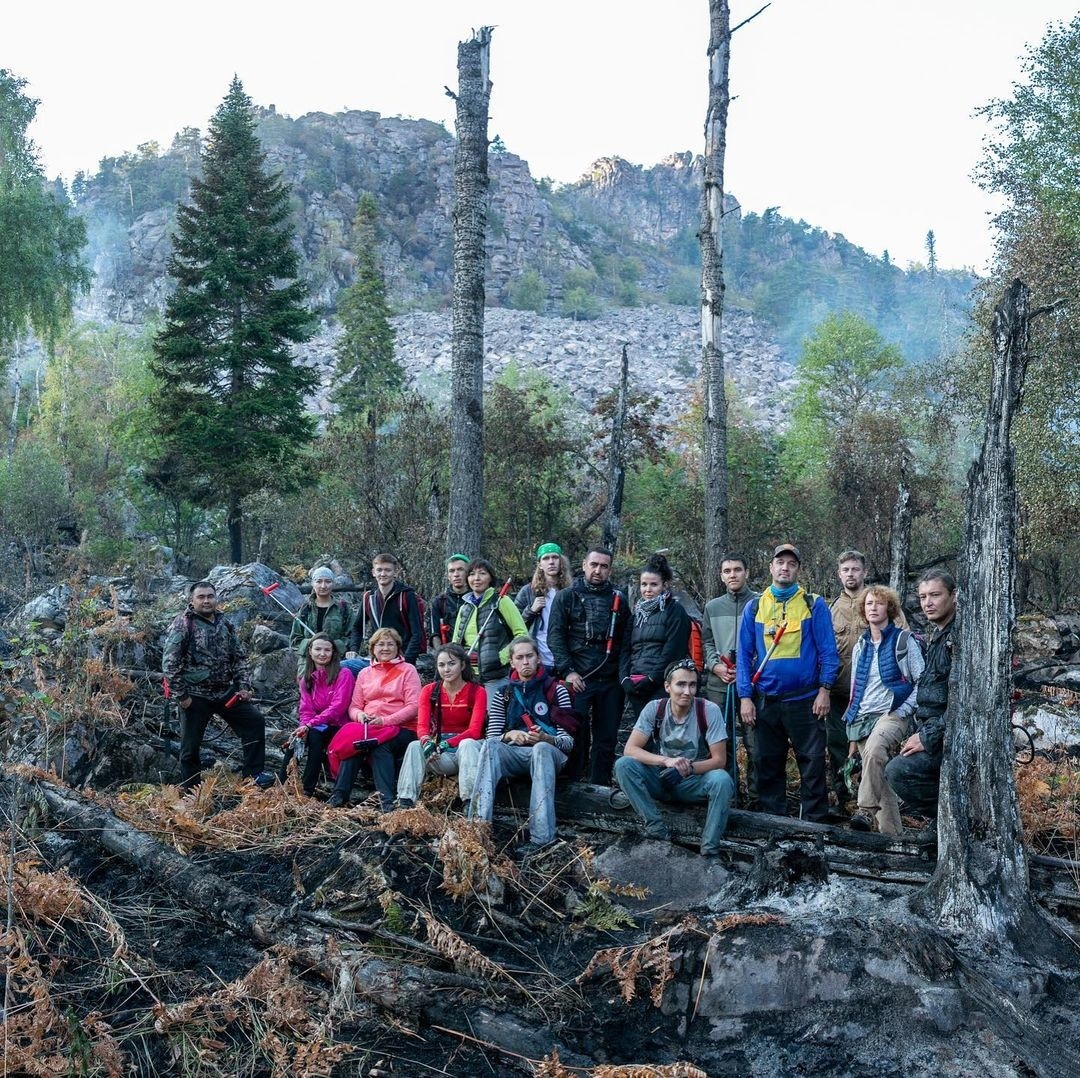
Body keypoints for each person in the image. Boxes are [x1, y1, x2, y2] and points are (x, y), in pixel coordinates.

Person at [736, 544, 839, 823]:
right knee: (767, 763)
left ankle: (814, 823)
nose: (785, 567)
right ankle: (774, 822)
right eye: (780, 562)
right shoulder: (755, 606)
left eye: (791, 564)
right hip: (766, 700)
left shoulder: (813, 604)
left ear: (798, 570)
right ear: (771, 567)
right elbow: (743, 656)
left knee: (813, 762)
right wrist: (745, 696)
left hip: (805, 701)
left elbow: (829, 652)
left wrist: (825, 690)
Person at [615, 658, 735, 855]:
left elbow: (719, 760)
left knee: (722, 780)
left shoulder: (708, 710)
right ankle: (656, 830)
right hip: (661, 778)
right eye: (681, 684)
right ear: (667, 686)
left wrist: (687, 768)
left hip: (692, 782)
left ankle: (710, 850)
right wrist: (667, 761)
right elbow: (631, 749)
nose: (687, 691)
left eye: (692, 685)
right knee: (624, 765)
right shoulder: (655, 708)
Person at [471, 636, 576, 855]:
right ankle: (476, 831)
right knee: (490, 748)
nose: (525, 661)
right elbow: (491, 739)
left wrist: (546, 739)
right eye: (520, 657)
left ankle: (541, 838)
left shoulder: (557, 690)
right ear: (512, 662)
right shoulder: (503, 694)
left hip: (550, 754)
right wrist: (511, 734)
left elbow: (567, 743)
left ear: (538, 659)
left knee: (540, 750)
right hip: (517, 754)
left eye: (530, 656)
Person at [162, 580, 272, 790]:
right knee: (190, 748)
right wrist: (182, 696)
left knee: (254, 721)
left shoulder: (225, 623)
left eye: (210, 596)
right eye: (201, 597)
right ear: (191, 601)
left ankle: (253, 775)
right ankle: (191, 791)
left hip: (224, 693)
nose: (206, 601)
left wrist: (243, 686)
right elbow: (169, 663)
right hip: (195, 696)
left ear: (216, 598)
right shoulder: (183, 624)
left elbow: (239, 657)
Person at [827, 550, 907, 812]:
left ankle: (872, 809)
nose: (851, 574)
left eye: (855, 569)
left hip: (879, 698)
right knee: (840, 749)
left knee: (876, 752)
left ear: (864, 572)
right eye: (846, 570)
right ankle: (843, 800)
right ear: (839, 574)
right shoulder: (831, 610)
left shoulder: (879, 602)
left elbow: (904, 640)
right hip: (841, 694)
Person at [842, 587, 924, 835]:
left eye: (878, 603)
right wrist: (852, 731)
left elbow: (921, 680)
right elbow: (856, 688)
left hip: (892, 713)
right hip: (863, 717)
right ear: (862, 610)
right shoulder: (861, 646)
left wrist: (906, 708)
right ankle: (893, 840)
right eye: (868, 604)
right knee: (881, 778)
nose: (873, 608)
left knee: (876, 750)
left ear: (889, 608)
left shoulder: (904, 641)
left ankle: (864, 810)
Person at [547, 547, 630, 785]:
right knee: (575, 732)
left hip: (611, 679)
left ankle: (600, 786)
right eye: (594, 565)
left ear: (610, 570)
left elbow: (626, 640)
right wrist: (569, 671)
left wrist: (623, 676)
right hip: (578, 677)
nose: (598, 570)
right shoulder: (566, 596)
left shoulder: (619, 598)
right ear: (584, 565)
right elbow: (555, 637)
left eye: (604, 566)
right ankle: (573, 783)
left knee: (606, 736)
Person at [885, 569, 958, 828]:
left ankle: (950, 822)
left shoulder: (959, 638)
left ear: (953, 596)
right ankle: (942, 825)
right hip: (933, 730)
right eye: (923, 596)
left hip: (951, 736)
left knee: (898, 772)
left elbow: (964, 705)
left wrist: (927, 738)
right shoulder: (936, 635)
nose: (928, 602)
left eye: (935, 595)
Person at [326, 628, 420, 809]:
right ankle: (339, 795)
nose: (385, 648)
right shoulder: (364, 673)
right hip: (369, 726)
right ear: (373, 648)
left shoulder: (408, 670)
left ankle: (387, 800)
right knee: (355, 744)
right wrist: (360, 716)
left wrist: (385, 721)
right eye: (381, 644)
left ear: (398, 647)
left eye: (390, 644)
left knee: (377, 744)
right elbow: (354, 706)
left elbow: (413, 706)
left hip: (402, 728)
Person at [397, 643, 487, 808]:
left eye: (452, 663)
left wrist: (446, 744)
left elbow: (474, 731)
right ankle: (406, 802)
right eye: (441, 665)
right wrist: (427, 743)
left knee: (467, 744)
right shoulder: (430, 691)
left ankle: (470, 803)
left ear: (463, 665)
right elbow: (422, 727)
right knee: (414, 746)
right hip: (441, 752)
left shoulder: (477, 691)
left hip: (470, 750)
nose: (446, 669)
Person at [701, 553, 760, 804]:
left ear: (746, 572)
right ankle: (727, 794)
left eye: (737, 569)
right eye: (727, 571)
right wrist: (715, 666)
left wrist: (750, 668)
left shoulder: (760, 603)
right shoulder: (712, 607)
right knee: (720, 743)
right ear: (721, 576)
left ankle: (757, 797)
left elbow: (766, 642)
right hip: (719, 684)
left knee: (755, 743)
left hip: (753, 685)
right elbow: (706, 640)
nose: (733, 575)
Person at [620, 553, 692, 719]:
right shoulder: (636, 614)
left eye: (654, 584)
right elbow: (625, 649)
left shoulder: (675, 611)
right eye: (644, 584)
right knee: (643, 737)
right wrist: (624, 679)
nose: (648, 589)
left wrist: (652, 679)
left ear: (664, 585)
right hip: (635, 683)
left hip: (663, 686)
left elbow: (673, 650)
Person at [452, 558, 528, 698]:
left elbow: (522, 634)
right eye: (472, 574)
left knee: (494, 716)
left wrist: (502, 658)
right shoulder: (465, 607)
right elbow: (456, 643)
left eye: (482, 573)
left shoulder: (502, 601)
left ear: (490, 578)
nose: (476, 578)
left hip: (495, 676)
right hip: (468, 676)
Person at [293, 633, 356, 797]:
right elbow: (305, 710)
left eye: (327, 650)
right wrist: (304, 728)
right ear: (310, 651)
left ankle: (307, 789)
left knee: (314, 735)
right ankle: (284, 786)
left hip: (340, 726)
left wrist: (310, 725)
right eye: (318, 649)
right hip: (318, 726)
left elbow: (338, 707)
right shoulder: (305, 680)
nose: (322, 653)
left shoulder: (344, 674)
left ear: (333, 653)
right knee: (298, 739)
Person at [348, 552, 424, 667]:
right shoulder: (369, 597)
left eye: (388, 570)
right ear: (373, 572)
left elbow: (417, 633)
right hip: (377, 657)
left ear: (396, 572)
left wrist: (407, 661)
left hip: (401, 657)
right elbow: (357, 627)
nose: (383, 574)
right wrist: (354, 649)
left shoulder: (407, 596)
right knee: (345, 667)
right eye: (379, 570)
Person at [515, 542, 572, 668]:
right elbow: (514, 624)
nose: (551, 562)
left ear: (561, 561)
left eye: (555, 557)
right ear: (539, 564)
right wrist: (531, 610)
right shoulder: (528, 591)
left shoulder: (570, 591)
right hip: (537, 658)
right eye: (546, 558)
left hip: (565, 657)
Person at [289, 566, 354, 676]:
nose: (323, 585)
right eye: (319, 581)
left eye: (327, 581)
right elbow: (295, 640)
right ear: (313, 584)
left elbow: (351, 636)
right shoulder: (305, 609)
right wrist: (313, 646)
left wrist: (334, 647)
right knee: (309, 691)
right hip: (308, 664)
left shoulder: (343, 608)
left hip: (336, 661)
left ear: (333, 583)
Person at [428, 554, 472, 649]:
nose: (456, 574)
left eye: (460, 569)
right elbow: (435, 634)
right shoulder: (439, 602)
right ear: (448, 576)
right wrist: (440, 654)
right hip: (449, 655)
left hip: (474, 654)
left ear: (468, 573)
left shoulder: (476, 599)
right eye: (452, 571)